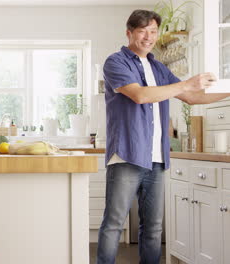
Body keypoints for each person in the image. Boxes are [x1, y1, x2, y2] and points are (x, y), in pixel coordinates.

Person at [97, 9, 230, 264]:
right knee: (114, 223)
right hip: (127, 154)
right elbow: (140, 95)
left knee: (154, 228)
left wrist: (227, 90)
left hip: (157, 158)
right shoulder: (116, 62)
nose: (148, 37)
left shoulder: (158, 67)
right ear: (129, 33)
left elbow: (193, 97)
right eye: (142, 31)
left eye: (153, 31)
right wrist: (187, 83)